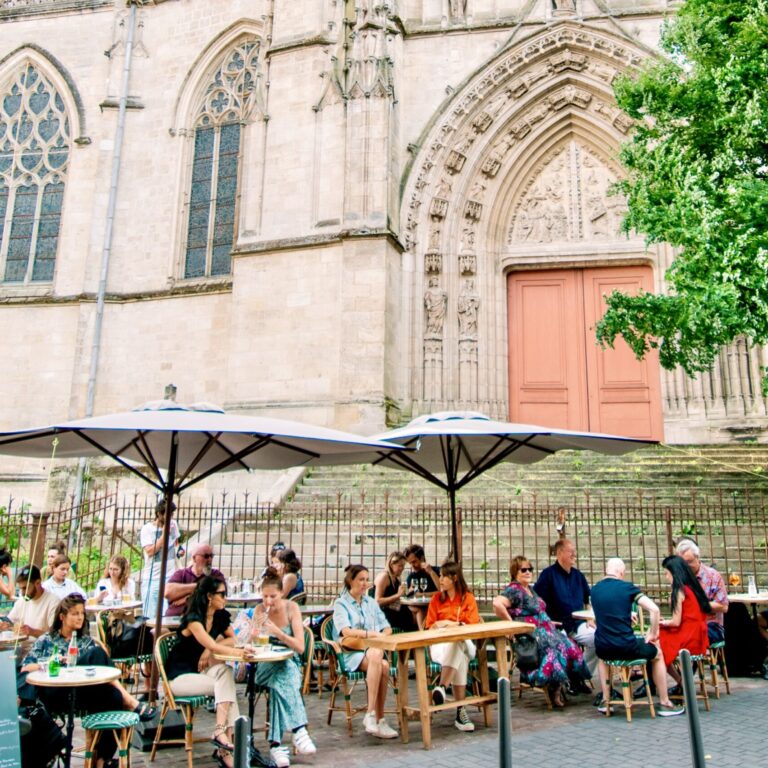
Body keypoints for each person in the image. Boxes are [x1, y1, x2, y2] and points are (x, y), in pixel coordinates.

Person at [20, 594, 155, 767]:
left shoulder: (85, 641)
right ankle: (129, 700)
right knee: (97, 654)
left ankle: (101, 759)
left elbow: (101, 672)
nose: (80, 617)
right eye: (75, 613)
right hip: (55, 693)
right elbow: (25, 668)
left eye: (82, 613)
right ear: (62, 617)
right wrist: (53, 661)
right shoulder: (47, 640)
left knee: (113, 696)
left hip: (81, 693)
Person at [165, 576, 247, 768]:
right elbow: (216, 643)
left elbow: (232, 640)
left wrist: (209, 650)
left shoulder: (219, 616)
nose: (225, 598)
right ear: (209, 596)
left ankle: (222, 737)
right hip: (179, 677)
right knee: (225, 688)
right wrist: (221, 648)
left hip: (199, 674)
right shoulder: (194, 619)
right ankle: (227, 744)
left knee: (225, 673)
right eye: (222, 594)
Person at [493, 555, 590, 708]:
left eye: (529, 569)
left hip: (546, 629)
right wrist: (510, 624)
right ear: (515, 572)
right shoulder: (514, 589)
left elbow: (537, 611)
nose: (527, 572)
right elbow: (497, 604)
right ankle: (553, 685)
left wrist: (548, 622)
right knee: (553, 648)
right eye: (523, 569)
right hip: (530, 635)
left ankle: (563, 684)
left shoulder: (530, 589)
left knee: (569, 645)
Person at [590, 558, 683, 717]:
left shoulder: (595, 590)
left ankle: (606, 700)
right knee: (658, 653)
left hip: (604, 647)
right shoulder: (627, 588)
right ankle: (664, 701)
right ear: (621, 572)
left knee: (602, 659)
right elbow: (654, 610)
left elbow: (601, 614)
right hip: (627, 646)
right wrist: (652, 633)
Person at [246, 567, 316, 767]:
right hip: (264, 666)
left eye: (273, 597)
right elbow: (254, 646)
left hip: (289, 662)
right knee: (281, 675)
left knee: (281, 679)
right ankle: (299, 730)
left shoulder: (291, 608)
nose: (268, 601)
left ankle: (277, 746)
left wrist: (278, 633)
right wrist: (254, 631)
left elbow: (301, 648)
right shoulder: (259, 610)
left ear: (281, 594)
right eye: (265, 596)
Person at [332, 564, 398, 739]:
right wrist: (370, 634)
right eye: (361, 579)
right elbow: (345, 631)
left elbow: (387, 628)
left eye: (366, 579)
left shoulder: (371, 603)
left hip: (372, 650)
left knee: (381, 662)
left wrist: (381, 635)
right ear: (350, 581)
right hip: (351, 652)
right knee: (381, 662)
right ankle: (377, 717)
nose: (364, 583)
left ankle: (374, 718)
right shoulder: (341, 603)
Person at [424, 560, 480, 732]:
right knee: (460, 657)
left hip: (465, 642)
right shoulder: (436, 599)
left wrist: (446, 624)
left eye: (443, 576)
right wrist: (453, 624)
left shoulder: (468, 598)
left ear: (454, 578)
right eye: (440, 576)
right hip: (440, 646)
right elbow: (430, 626)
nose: (440, 580)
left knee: (459, 640)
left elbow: (470, 626)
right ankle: (460, 712)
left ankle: (442, 686)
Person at [533, 539, 596, 689]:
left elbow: (588, 600)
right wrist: (546, 621)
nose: (574, 554)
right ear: (559, 553)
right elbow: (537, 602)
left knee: (599, 639)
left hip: (578, 623)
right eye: (570, 551)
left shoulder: (578, 576)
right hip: (557, 625)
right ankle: (567, 680)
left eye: (574, 551)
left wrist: (590, 617)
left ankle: (577, 675)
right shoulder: (548, 575)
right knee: (561, 644)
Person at [659, 554, 710, 686]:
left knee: (657, 648)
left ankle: (680, 681)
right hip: (699, 636)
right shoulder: (692, 588)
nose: (666, 577)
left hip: (688, 637)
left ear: (674, 573)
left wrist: (663, 622)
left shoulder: (678, 591)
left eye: (667, 573)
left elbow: (675, 622)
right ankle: (681, 682)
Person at [675, 539, 729, 643]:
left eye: (689, 562)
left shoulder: (713, 576)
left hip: (711, 626)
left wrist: (696, 604)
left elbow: (723, 606)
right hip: (686, 624)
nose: (686, 566)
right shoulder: (679, 577)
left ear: (698, 557)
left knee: (693, 635)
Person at [0, 564, 59, 658]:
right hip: (19, 652)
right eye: (20, 589)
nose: (22, 593)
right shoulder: (22, 601)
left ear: (38, 583)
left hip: (41, 654)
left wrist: (32, 631)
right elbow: (10, 621)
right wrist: (4, 625)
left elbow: (56, 636)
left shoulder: (53, 602)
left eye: (25, 588)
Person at [140, 500, 180, 617]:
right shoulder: (147, 529)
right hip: (153, 578)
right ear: (159, 514)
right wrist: (164, 535)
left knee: (168, 614)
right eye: (167, 515)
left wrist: (179, 551)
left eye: (172, 515)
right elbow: (150, 551)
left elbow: (176, 543)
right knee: (151, 616)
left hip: (170, 576)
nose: (170, 518)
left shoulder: (174, 524)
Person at [164, 542, 226, 617]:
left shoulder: (216, 575)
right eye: (206, 556)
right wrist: (200, 587)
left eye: (211, 556)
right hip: (175, 619)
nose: (209, 559)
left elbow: (217, 594)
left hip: (203, 620)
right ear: (194, 558)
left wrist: (187, 598)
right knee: (156, 629)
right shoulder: (181, 574)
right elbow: (167, 592)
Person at [374, 551, 417, 632]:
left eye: (403, 566)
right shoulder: (384, 577)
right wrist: (398, 595)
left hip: (396, 609)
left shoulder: (396, 578)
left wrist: (409, 591)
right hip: (387, 614)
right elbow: (377, 601)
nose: (402, 568)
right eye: (400, 566)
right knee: (419, 615)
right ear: (391, 564)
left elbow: (399, 596)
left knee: (421, 610)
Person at [403, 544, 441, 629]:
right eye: (410, 563)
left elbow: (442, 591)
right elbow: (409, 596)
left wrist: (431, 572)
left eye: (414, 561)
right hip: (419, 610)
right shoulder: (412, 577)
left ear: (422, 558)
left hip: (436, 608)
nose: (412, 566)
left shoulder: (437, 571)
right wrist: (409, 592)